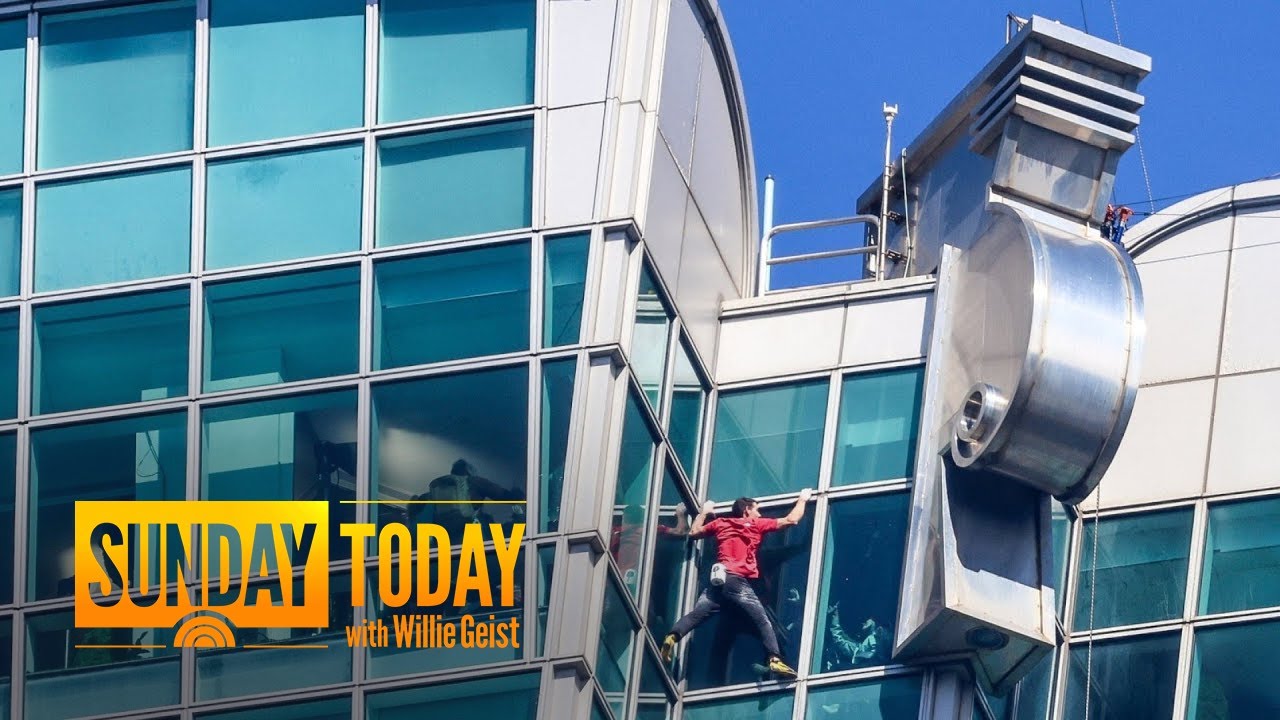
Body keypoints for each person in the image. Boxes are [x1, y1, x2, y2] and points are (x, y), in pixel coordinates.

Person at [659, 489, 813, 679]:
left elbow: (694, 532)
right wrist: (803, 499)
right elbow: (791, 520)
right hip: (736, 581)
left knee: (697, 614)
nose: (759, 514)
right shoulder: (755, 524)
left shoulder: (721, 523)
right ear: (747, 510)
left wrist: (705, 512)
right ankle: (774, 659)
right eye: (757, 509)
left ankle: (671, 637)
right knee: (763, 621)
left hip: (718, 580)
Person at [408, 459, 523, 537]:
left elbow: (415, 508)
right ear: (469, 472)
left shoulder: (436, 490)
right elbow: (503, 495)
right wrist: (517, 495)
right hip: (468, 531)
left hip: (443, 533)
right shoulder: (474, 481)